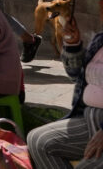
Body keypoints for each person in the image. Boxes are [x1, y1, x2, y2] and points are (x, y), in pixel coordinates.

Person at [27, 10, 103, 169]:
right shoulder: (100, 40)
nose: (101, 11)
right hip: (89, 119)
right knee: (38, 140)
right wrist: (72, 44)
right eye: (101, 6)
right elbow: (77, 75)